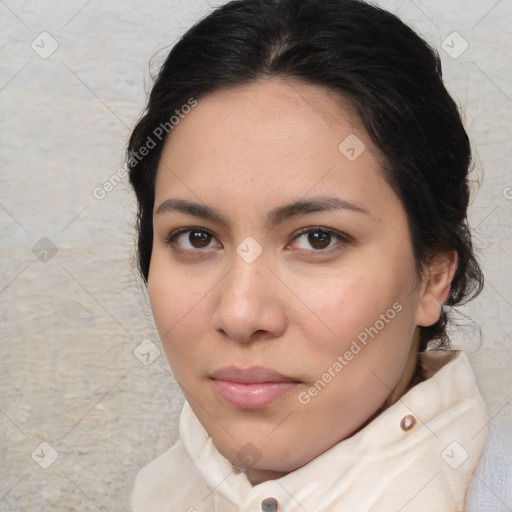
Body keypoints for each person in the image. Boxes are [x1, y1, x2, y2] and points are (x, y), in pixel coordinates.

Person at [127, 0, 489, 510]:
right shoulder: (159, 490)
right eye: (197, 238)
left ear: (433, 276)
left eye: (318, 238)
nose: (240, 314)